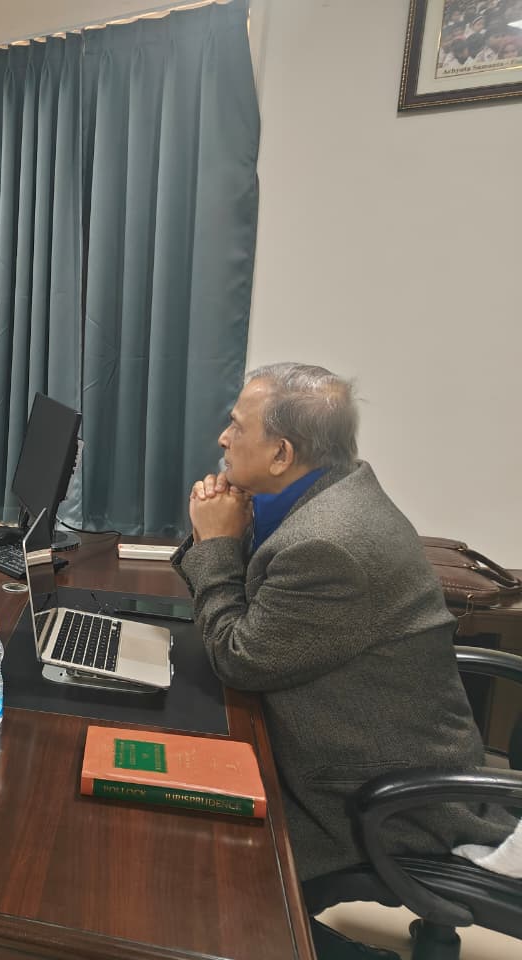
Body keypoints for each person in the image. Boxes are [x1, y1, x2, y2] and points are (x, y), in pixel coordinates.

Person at [174, 363, 514, 957]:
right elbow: (254, 604)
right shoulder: (326, 492)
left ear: (282, 454)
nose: (223, 438)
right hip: (372, 743)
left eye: (237, 426)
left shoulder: (327, 542)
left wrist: (218, 543)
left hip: (372, 793)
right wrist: (224, 536)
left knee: (202, 874)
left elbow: (240, 658)